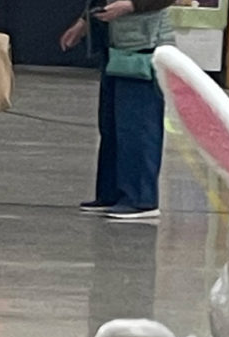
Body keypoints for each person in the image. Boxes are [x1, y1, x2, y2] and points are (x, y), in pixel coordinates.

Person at [59, 0, 176, 221]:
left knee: (139, 127)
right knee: (112, 125)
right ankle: (111, 193)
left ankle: (141, 199)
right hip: (115, 43)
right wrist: (85, 21)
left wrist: (131, 5)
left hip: (143, 44)